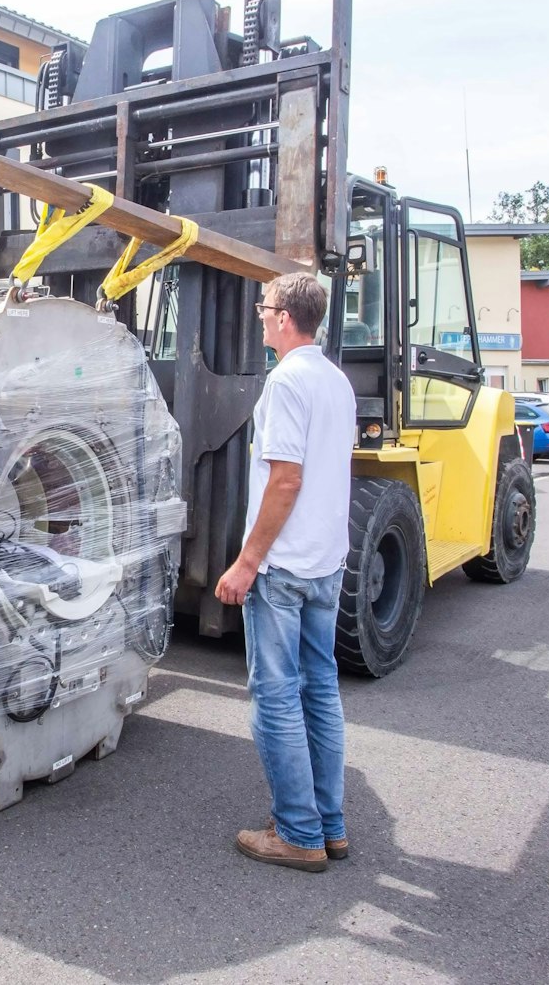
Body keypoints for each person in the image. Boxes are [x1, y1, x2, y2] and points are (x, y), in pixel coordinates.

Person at [214, 272, 356, 872]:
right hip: (326, 561)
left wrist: (248, 562)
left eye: (263, 307)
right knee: (320, 690)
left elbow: (286, 479)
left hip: (284, 567)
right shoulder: (336, 381)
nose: (259, 315)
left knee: (275, 697)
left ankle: (297, 833)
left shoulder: (286, 383)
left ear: (282, 318)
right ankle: (331, 825)